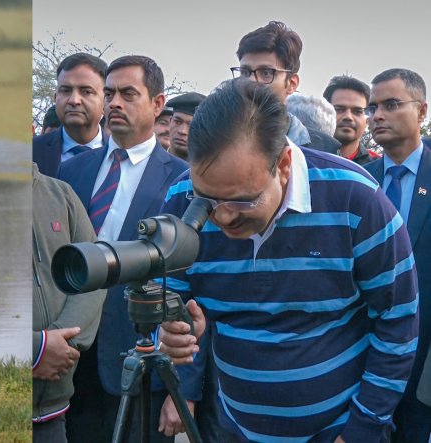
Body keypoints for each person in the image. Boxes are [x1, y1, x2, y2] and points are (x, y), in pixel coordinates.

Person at [159, 78, 418, 442]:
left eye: (243, 200)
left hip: (338, 430)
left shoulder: (355, 198)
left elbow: (398, 319)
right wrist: (174, 331)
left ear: (282, 164)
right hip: (233, 426)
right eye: (208, 200)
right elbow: (171, 294)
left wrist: (362, 429)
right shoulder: (181, 197)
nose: (223, 218)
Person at [58, 55, 196, 442]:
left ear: (157, 104)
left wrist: (183, 388)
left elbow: (192, 286)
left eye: (128, 94)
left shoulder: (183, 181)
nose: (114, 103)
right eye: (110, 93)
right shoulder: (73, 170)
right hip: (72, 355)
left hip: (144, 363)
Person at [362, 68, 431, 443]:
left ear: (421, 112)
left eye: (391, 104)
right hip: (363, 352)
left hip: (424, 358)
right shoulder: (358, 179)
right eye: (373, 107)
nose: (377, 116)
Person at [32, 162, 107, 443]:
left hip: (53, 413)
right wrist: (35, 349)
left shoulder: (61, 194)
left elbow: (95, 275)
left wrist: (58, 345)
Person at [232, 21, 340, 153]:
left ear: (292, 84)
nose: (252, 81)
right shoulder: (212, 138)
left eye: (266, 73)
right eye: (245, 72)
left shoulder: (324, 150)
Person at [33, 53, 108, 178]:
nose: (74, 100)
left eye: (86, 92)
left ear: (105, 101)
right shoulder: (30, 153)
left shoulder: (121, 154)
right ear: (55, 98)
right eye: (66, 90)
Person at [323, 75, 382, 165]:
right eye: (339, 109)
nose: (348, 117)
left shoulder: (380, 168)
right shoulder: (304, 158)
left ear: (367, 121)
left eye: (357, 111)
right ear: (325, 113)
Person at [166, 92, 206, 160]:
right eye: (177, 122)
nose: (182, 131)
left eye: (191, 125)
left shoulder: (212, 169)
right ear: (170, 121)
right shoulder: (150, 162)